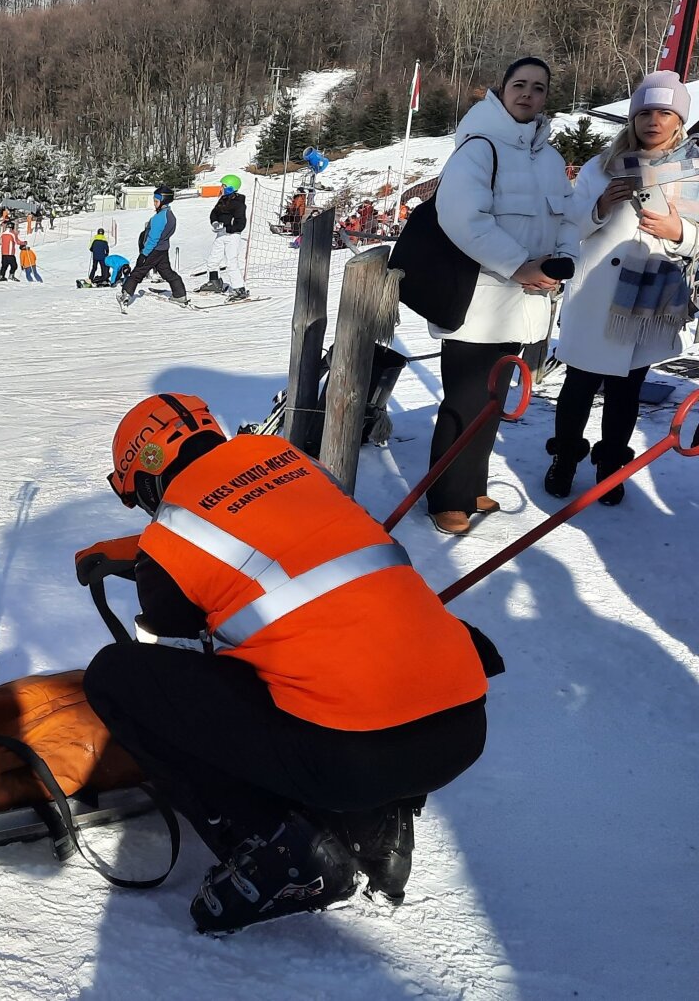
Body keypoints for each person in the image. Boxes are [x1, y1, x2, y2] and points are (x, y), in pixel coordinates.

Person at [80, 393, 493, 933]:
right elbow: (270, 539)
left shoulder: (169, 539)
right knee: (325, 649)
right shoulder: (289, 460)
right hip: (459, 727)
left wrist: (152, 562)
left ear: (149, 478)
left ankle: (279, 850)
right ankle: (378, 823)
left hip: (351, 757)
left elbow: (180, 685)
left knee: (121, 678)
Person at [423, 56, 578, 534]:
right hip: (477, 303)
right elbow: (463, 219)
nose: (528, 94)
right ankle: (445, 496)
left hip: (525, 305)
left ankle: (471, 486)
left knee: (492, 402)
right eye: (519, 85)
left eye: (538, 88)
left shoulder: (549, 159)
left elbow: (568, 218)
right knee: (463, 401)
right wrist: (519, 265)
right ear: (501, 90)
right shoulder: (478, 148)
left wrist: (562, 262)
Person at [548, 71, 699, 504]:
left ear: (678, 121)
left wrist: (678, 231)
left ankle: (610, 466)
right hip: (595, 297)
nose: (653, 120)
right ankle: (564, 458)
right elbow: (568, 226)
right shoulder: (602, 165)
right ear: (632, 119)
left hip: (646, 300)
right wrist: (598, 207)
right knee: (576, 387)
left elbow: (698, 238)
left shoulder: (690, 170)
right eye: (645, 112)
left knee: (625, 391)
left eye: (665, 112)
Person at [119, 185, 187, 306]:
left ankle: (126, 294)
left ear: (163, 201)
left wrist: (144, 254)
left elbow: (153, 238)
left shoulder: (159, 217)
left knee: (138, 272)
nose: (154, 203)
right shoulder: (170, 215)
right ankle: (180, 294)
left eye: (156, 201)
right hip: (163, 250)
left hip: (153, 250)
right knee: (167, 273)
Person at [201, 174, 249, 301]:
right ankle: (215, 282)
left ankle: (239, 289)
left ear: (230, 188)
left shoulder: (239, 204)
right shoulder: (222, 199)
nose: (221, 188)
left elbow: (240, 224)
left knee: (231, 262)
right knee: (213, 259)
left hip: (232, 236)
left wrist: (227, 228)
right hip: (221, 234)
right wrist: (215, 222)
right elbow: (214, 213)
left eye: (224, 186)